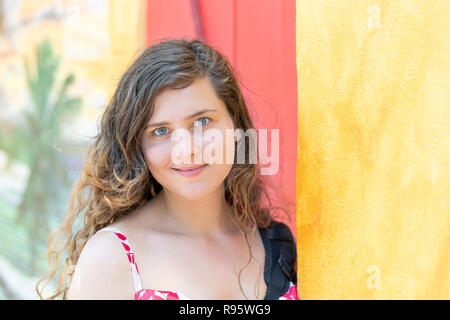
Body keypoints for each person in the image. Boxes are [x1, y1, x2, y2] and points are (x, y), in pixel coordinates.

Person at [36, 38, 297, 300]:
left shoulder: (276, 246)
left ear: (236, 128)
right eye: (161, 131)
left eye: (203, 121)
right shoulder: (112, 257)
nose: (187, 149)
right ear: (138, 147)